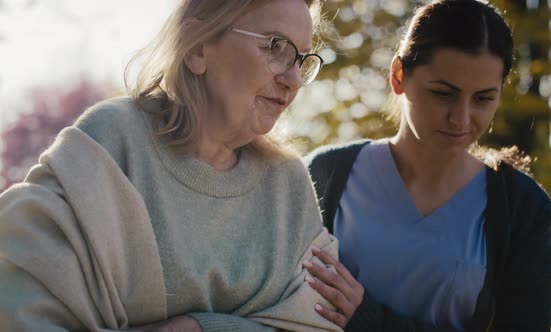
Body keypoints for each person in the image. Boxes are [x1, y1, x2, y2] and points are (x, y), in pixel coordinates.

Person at [0, 0, 343, 331]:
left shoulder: (289, 184)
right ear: (197, 49)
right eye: (276, 47)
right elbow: (24, 305)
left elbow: (316, 322)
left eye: (301, 60)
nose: (295, 80)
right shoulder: (112, 141)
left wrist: (205, 328)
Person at [303, 0, 551, 331]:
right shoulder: (325, 175)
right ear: (399, 76)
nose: (461, 118)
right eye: (443, 93)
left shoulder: (522, 209)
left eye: (483, 98)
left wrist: (370, 321)